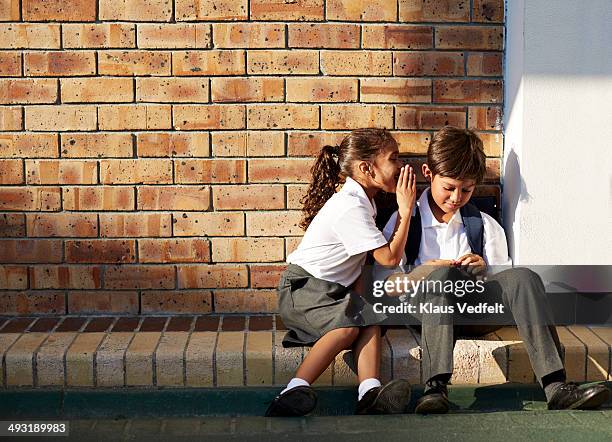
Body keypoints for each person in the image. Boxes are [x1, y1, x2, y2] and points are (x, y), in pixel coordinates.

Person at [375, 126, 610, 414]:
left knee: (524, 277)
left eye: (467, 189)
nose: (456, 197)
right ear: (428, 173)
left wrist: (484, 270)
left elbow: (508, 287)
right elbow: (385, 286)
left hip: (474, 313)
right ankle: (435, 388)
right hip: (425, 312)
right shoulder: (403, 223)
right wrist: (424, 271)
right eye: (448, 187)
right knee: (441, 277)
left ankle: (555, 386)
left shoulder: (483, 224)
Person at [265, 128, 416, 417]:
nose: (399, 166)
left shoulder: (364, 203)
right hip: (303, 291)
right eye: (393, 158)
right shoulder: (350, 207)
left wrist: (362, 305)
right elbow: (388, 258)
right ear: (366, 168)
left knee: (369, 320)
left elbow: (358, 266)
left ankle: (370, 392)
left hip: (331, 293)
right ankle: (291, 390)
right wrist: (405, 210)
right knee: (347, 327)